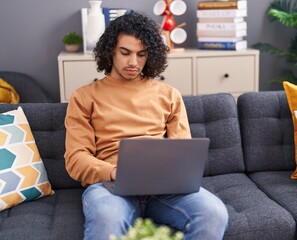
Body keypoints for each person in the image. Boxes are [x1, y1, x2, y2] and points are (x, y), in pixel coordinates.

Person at [64, 10, 228, 240]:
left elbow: (182, 151)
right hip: (110, 187)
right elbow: (76, 158)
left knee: (214, 212)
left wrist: (174, 174)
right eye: (125, 52)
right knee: (107, 217)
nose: (133, 62)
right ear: (111, 50)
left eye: (141, 54)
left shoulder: (169, 95)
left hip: (165, 190)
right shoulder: (83, 97)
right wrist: (113, 172)